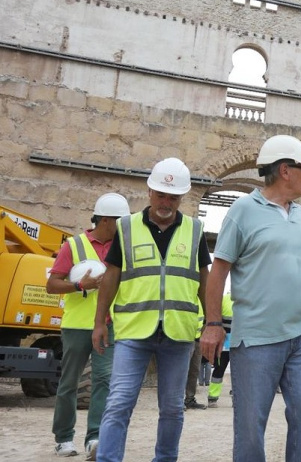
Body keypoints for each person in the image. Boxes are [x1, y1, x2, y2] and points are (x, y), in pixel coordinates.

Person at [200, 134, 301, 462]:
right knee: (251, 423)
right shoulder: (242, 211)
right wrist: (213, 323)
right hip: (257, 337)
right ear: (285, 170)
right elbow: (218, 270)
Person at [92, 158, 211, 462]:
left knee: (172, 408)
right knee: (119, 402)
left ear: (181, 198)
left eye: (173, 197)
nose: (166, 202)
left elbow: (205, 281)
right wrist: (99, 322)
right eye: (161, 195)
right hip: (134, 331)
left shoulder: (195, 230)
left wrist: (212, 322)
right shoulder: (127, 227)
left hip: (179, 333)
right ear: (149, 192)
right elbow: (112, 275)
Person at [47, 193, 130, 460]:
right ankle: (63, 438)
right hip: (76, 326)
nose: (123, 226)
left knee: (103, 381)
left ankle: (94, 437)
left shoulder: (124, 247)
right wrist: (79, 285)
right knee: (69, 383)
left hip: (109, 325)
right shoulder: (73, 245)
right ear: (106, 220)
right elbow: (51, 285)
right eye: (120, 221)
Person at [207, 293, 234, 408]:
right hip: (224, 343)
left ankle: (237, 398)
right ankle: (212, 398)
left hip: (239, 342)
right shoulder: (224, 299)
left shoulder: (247, 297)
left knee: (241, 372)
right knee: (219, 370)